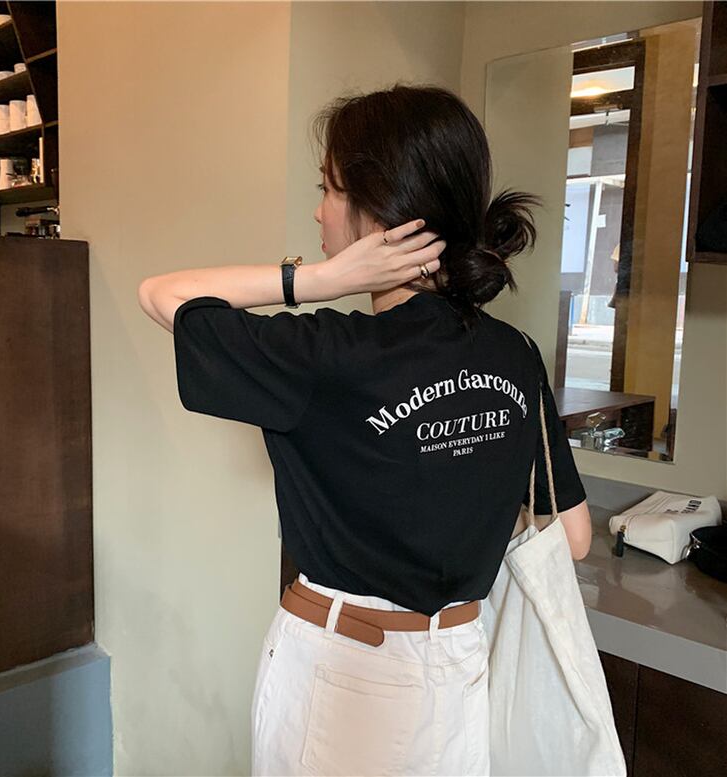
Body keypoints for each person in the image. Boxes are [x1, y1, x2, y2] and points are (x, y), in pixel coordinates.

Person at [139, 82, 591, 776]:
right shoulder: (515, 355)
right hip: (461, 673)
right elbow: (573, 536)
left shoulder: (329, 354)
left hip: (344, 675)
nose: (318, 210)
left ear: (377, 212)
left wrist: (317, 280)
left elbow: (160, 295)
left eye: (328, 189)